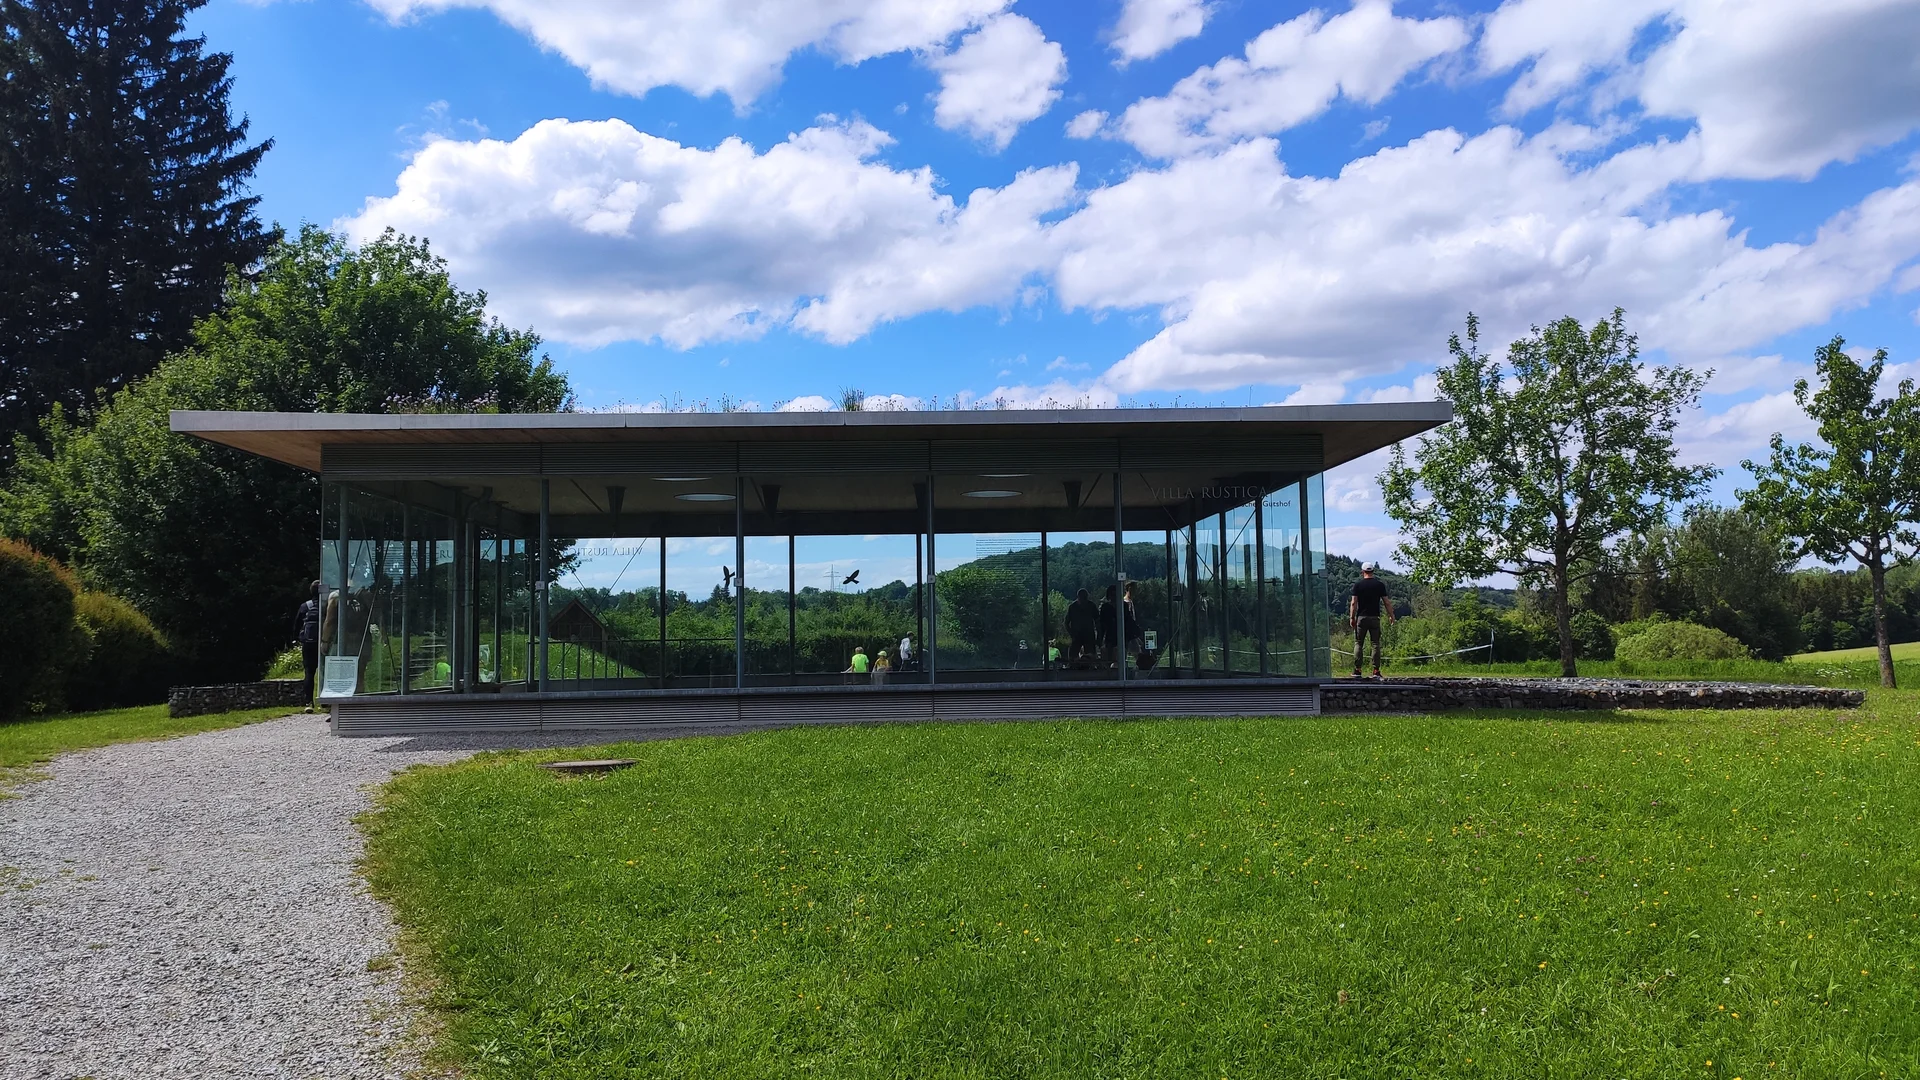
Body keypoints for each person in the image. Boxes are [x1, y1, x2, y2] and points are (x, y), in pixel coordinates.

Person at [1349, 561, 1395, 677]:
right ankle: (1376, 671)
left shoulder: (1358, 585)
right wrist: (1391, 615)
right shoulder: (1379, 585)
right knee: (1375, 643)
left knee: (1359, 643)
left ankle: (1358, 669)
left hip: (1361, 618)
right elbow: (1387, 602)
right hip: (1375, 617)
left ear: (1362, 572)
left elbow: (1354, 603)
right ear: (1373, 571)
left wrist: (1352, 618)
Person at [293, 580, 321, 711]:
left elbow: (297, 625)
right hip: (324, 643)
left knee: (309, 673)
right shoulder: (327, 605)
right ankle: (326, 700)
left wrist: (297, 639)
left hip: (308, 643)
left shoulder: (305, 606)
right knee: (325, 672)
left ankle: (308, 702)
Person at [1065, 589, 1100, 666]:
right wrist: (1071, 634)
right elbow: (1066, 622)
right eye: (1082, 597)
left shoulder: (1091, 606)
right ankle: (1072, 668)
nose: (1083, 600)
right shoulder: (1072, 607)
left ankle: (1090, 669)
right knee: (1073, 656)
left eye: (1085, 597)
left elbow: (1098, 621)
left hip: (1089, 635)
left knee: (1091, 656)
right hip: (1077, 635)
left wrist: (1098, 635)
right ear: (1078, 597)